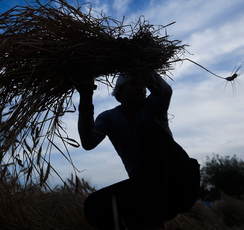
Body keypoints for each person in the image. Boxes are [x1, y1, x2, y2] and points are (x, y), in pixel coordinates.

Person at [76, 72, 200, 230]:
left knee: (146, 128)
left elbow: (165, 91)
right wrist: (86, 95)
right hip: (146, 192)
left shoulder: (154, 106)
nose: (141, 88)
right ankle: (141, 223)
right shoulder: (109, 117)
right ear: (119, 92)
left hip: (180, 181)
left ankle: (153, 224)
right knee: (93, 205)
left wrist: (139, 65)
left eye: (143, 84)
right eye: (134, 83)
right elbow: (88, 142)